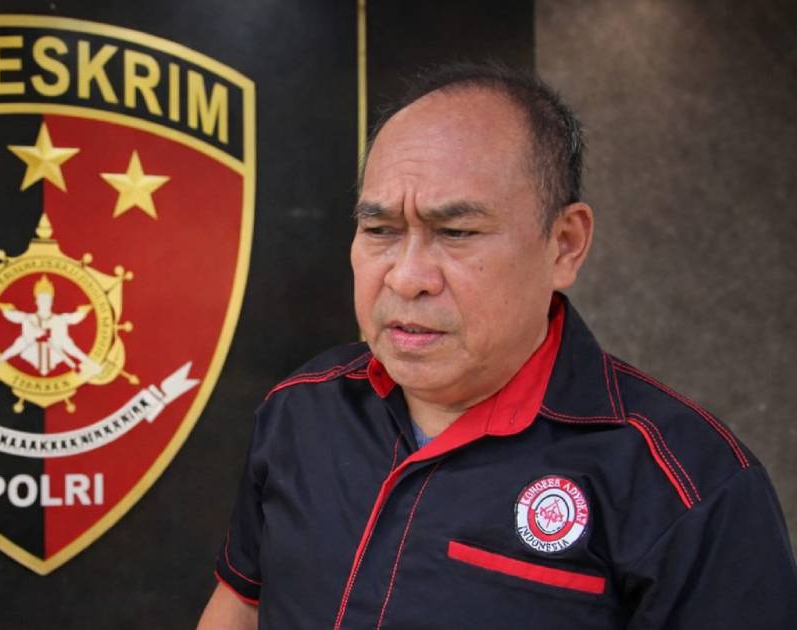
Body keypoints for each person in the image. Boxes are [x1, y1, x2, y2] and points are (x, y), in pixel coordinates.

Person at [196, 63, 797, 629]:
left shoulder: (689, 485)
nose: (406, 277)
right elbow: (242, 603)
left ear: (565, 244)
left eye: (456, 232)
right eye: (380, 230)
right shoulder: (301, 408)